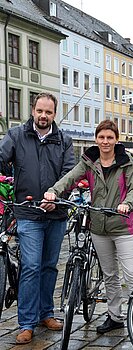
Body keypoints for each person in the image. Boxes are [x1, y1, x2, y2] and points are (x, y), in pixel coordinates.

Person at [42, 120, 133, 345]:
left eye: (110, 137)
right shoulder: (89, 161)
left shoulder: (126, 161)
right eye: (102, 137)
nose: (105, 142)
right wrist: (53, 191)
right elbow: (70, 178)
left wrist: (127, 204)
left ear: (116, 140)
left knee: (131, 275)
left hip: (123, 226)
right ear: (96, 139)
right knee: (109, 275)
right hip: (99, 227)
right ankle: (114, 316)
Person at [0, 92, 75, 345]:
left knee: (49, 266)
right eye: (40, 111)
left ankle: (46, 313)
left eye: (49, 112)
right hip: (28, 212)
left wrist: (56, 196)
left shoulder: (64, 140)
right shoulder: (16, 135)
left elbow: (69, 173)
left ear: (54, 114)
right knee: (31, 266)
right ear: (33, 110)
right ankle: (26, 323)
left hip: (56, 213)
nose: (44, 116)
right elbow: (1, 159)